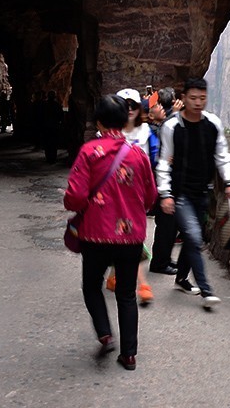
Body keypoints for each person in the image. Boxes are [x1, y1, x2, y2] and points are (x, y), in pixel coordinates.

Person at [64, 95, 157, 370]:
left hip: (95, 235)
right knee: (127, 294)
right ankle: (129, 354)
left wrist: (76, 205)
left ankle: (105, 333)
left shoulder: (89, 152)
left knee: (92, 286)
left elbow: (76, 196)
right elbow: (150, 196)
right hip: (131, 237)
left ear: (99, 122)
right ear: (125, 120)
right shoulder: (138, 154)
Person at [156, 77, 230, 310]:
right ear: (183, 99)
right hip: (180, 192)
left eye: (202, 98)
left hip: (202, 192)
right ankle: (206, 289)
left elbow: (222, 156)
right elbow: (163, 162)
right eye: (193, 98)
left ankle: (182, 278)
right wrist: (165, 194)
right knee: (193, 237)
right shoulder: (172, 127)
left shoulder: (212, 124)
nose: (197, 103)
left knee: (194, 238)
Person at [106, 88, 157, 305]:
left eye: (133, 105)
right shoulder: (108, 134)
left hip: (135, 197)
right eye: (124, 105)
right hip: (114, 196)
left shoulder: (146, 132)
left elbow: (154, 159)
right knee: (129, 240)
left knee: (125, 240)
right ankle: (143, 285)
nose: (129, 110)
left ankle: (112, 277)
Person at [147, 87, 182, 276]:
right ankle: (160, 262)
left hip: (169, 181)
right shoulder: (152, 128)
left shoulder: (162, 124)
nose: (160, 108)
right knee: (166, 225)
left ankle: (165, 259)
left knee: (170, 225)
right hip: (161, 182)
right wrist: (174, 117)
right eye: (157, 105)